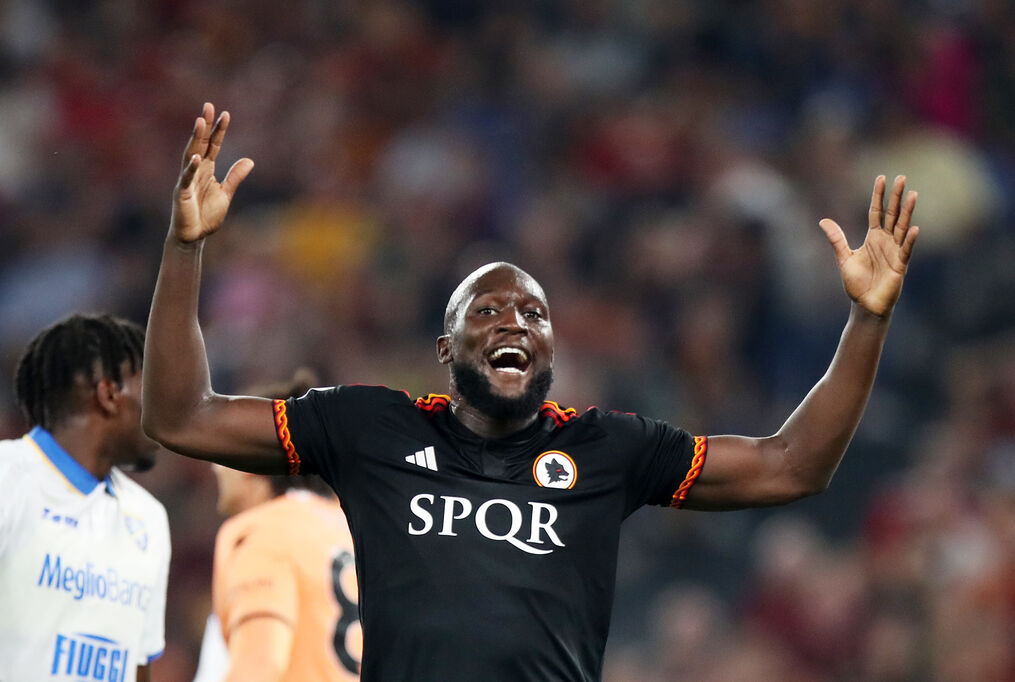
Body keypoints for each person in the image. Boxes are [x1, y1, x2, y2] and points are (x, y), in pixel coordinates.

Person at [143, 103, 920, 681]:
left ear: (551, 347)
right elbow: (180, 414)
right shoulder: (368, 427)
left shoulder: (607, 448)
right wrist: (185, 249)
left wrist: (866, 320)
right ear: (446, 349)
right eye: (487, 309)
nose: (513, 320)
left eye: (533, 312)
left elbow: (792, 464)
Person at [0, 313, 171, 682]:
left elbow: (138, 665)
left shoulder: (150, 519)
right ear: (109, 395)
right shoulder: (4, 479)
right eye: (153, 387)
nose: (167, 406)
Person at [191, 369, 360, 682]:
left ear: (252, 458)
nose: (216, 466)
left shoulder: (264, 532)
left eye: (225, 449)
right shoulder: (357, 531)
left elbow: (259, 668)